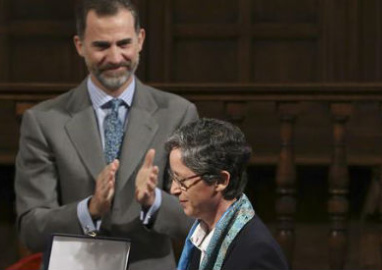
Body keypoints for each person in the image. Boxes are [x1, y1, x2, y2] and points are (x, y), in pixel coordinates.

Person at [14, 0, 198, 269]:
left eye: (123, 44)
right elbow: (31, 230)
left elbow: (200, 220)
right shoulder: (43, 122)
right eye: (101, 46)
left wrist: (154, 202)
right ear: (80, 46)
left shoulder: (179, 114)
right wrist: (88, 211)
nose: (114, 58)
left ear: (140, 40)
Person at [163, 118, 289, 270]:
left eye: (182, 180)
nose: (173, 190)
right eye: (173, 178)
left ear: (221, 181)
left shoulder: (257, 252)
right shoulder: (200, 235)